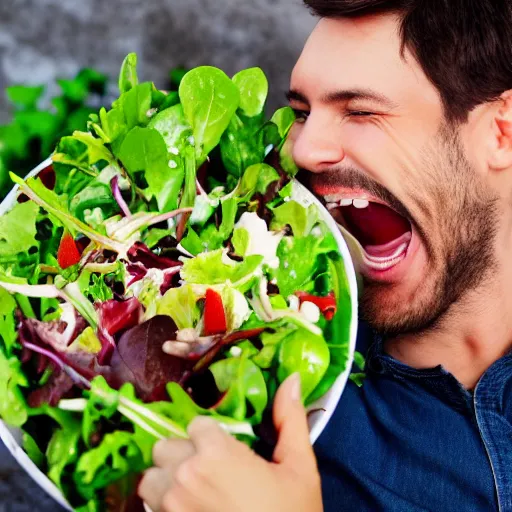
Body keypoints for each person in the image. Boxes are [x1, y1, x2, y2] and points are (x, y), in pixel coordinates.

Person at [138, 1, 512, 510]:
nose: (305, 149)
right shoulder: (241, 400)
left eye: (361, 111)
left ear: (501, 132)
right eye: (301, 113)